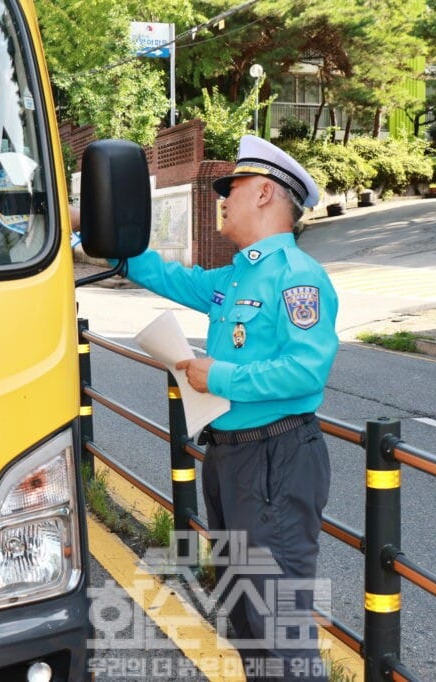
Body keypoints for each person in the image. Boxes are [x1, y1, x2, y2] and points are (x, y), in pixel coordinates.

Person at [121, 135, 338, 681]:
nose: (224, 197)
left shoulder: (297, 275)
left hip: (275, 459)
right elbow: (168, 277)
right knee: (244, 620)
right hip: (232, 460)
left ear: (265, 194)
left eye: (232, 188)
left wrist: (219, 375)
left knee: (278, 625)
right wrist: (97, 231)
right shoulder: (240, 274)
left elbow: (308, 369)